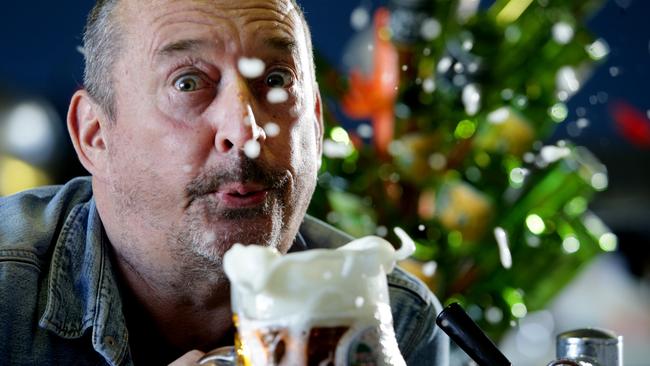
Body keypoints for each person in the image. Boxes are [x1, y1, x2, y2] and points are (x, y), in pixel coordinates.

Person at [0, 0, 449, 365]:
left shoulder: (394, 318)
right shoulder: (8, 291)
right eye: (188, 82)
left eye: (276, 80)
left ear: (314, 122)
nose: (246, 132)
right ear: (95, 135)